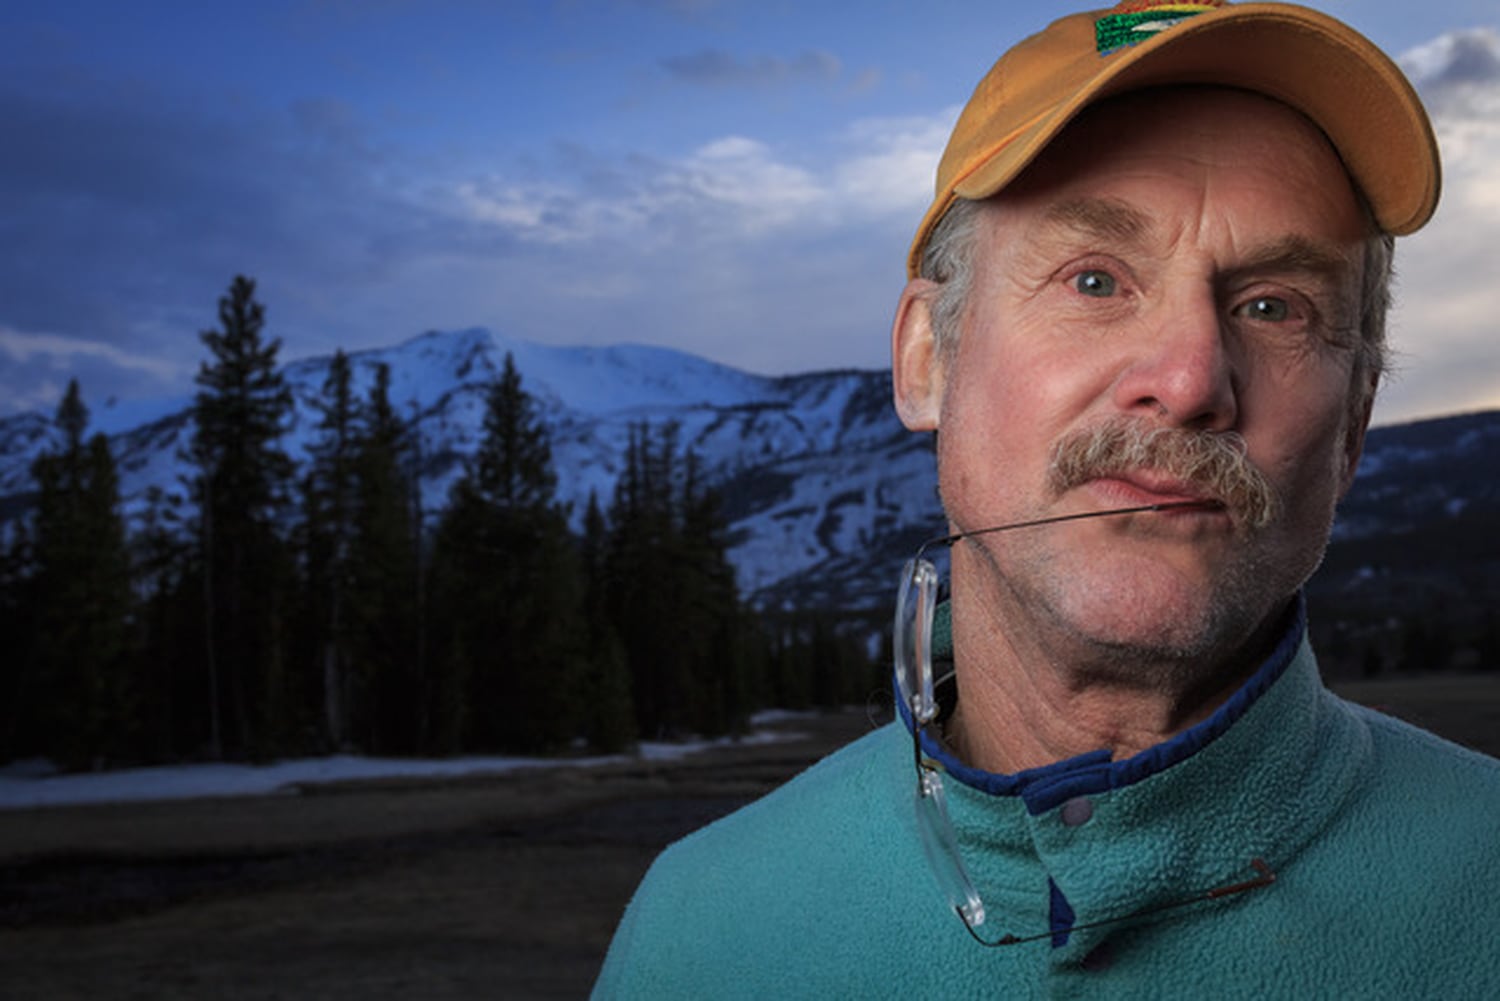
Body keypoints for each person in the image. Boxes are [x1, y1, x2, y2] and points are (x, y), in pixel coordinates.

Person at [593, 2, 1500, 996]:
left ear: (1356, 422)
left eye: (1275, 306)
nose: (1191, 378)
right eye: (1096, 279)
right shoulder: (702, 926)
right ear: (927, 358)